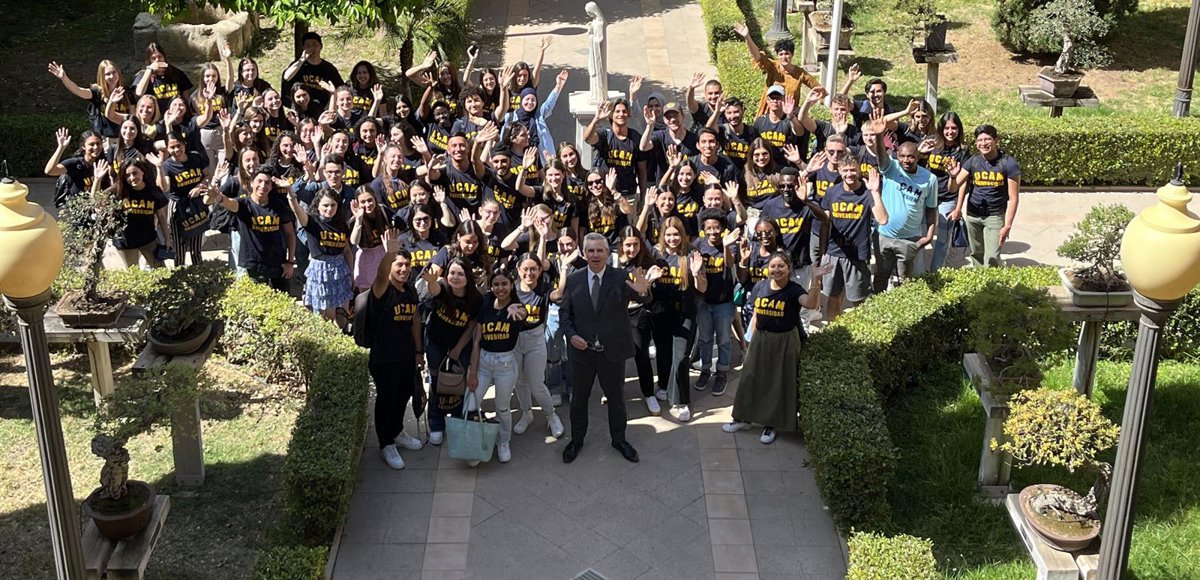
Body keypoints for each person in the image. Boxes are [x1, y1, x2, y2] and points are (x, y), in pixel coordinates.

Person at [559, 232, 652, 464]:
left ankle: (619, 439)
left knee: (616, 398)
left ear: (607, 253)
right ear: (584, 253)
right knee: (579, 399)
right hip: (583, 353)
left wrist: (643, 290)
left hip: (612, 352)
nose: (595, 255)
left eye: (599, 250)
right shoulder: (574, 280)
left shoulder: (620, 277)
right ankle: (576, 439)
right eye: (590, 250)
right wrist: (571, 336)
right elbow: (565, 315)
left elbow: (642, 297)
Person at [723, 251, 826, 444]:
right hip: (760, 338)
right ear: (767, 268)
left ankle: (771, 424)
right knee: (750, 377)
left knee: (777, 382)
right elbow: (756, 313)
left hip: (784, 341)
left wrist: (816, 280)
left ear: (789, 269)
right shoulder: (760, 286)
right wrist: (749, 338)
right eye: (773, 266)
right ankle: (743, 418)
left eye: (781, 266)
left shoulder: (794, 290)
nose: (776, 270)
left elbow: (811, 303)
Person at [367, 230, 426, 470]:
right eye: (398, 264)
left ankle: (398, 431)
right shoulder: (382, 290)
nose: (404, 269)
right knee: (387, 399)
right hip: (384, 358)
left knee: (403, 396)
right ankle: (386, 443)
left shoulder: (409, 290)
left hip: (405, 355)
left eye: (407, 265)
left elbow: (414, 320)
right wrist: (388, 254)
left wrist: (418, 351)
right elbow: (381, 275)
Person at [417, 257, 483, 446]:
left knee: (458, 382)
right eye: (452, 273)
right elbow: (435, 290)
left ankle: (456, 419)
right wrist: (431, 281)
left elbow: (471, 327)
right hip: (436, 342)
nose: (455, 277)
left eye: (460, 274)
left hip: (460, 344)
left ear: (468, 277)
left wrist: (458, 348)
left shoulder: (476, 299)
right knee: (436, 381)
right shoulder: (443, 287)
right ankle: (436, 423)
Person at [469, 269, 532, 464]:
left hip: (505, 364)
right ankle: (475, 443)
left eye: (504, 283)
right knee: (471, 404)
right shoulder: (486, 306)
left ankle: (503, 441)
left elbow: (523, 314)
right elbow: (476, 341)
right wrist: (473, 372)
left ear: (511, 285)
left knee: (502, 407)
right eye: (496, 284)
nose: (500, 288)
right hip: (484, 363)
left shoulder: (516, 307)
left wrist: (517, 311)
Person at [869, 115, 937, 291]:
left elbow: (931, 209)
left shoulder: (929, 179)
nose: (906, 160)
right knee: (881, 276)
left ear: (918, 157)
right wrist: (879, 135)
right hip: (884, 235)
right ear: (897, 155)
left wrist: (929, 235)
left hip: (909, 240)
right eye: (903, 156)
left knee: (905, 281)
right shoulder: (891, 168)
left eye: (911, 157)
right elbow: (881, 156)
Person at [819, 154, 889, 322]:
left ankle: (861, 331)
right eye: (845, 170)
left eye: (852, 170)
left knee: (859, 300)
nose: (849, 174)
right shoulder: (832, 192)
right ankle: (835, 331)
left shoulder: (867, 193)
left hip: (857, 255)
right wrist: (822, 252)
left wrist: (875, 192)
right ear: (839, 171)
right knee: (833, 297)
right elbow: (825, 223)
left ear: (858, 170)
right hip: (833, 253)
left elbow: (883, 219)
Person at [203, 167, 297, 290]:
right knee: (257, 300)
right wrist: (218, 197)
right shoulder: (243, 204)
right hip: (253, 265)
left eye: (267, 183)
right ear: (252, 183)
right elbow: (228, 202)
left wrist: (290, 262)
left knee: (283, 300)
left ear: (271, 186)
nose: (263, 186)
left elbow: (290, 233)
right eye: (259, 181)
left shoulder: (279, 205)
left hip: (279, 265)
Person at [650, 217, 706, 422]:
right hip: (661, 312)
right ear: (662, 235)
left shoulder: (691, 254)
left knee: (681, 356)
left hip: (684, 312)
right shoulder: (655, 253)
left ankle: (679, 401)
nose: (672, 238)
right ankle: (664, 385)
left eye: (676, 234)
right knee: (664, 352)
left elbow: (703, 288)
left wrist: (696, 273)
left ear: (683, 235)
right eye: (668, 234)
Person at [945, 124, 1022, 268]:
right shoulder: (973, 161)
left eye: (987, 139)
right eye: (980, 140)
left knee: (992, 257)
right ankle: (980, 279)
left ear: (996, 140)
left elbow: (1013, 198)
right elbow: (953, 188)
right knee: (976, 254)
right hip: (973, 215)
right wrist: (952, 176)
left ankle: (994, 280)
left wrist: (1007, 225)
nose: (983, 143)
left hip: (994, 216)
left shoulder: (1009, 164)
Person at [510, 250, 567, 439]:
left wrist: (564, 269)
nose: (529, 273)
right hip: (514, 340)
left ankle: (551, 416)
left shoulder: (544, 288)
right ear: (518, 270)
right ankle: (526, 413)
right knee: (519, 381)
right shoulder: (511, 290)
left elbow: (558, 295)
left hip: (535, 339)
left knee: (536, 383)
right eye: (525, 269)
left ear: (540, 270)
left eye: (533, 269)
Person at [286, 187, 354, 323]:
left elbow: (347, 251)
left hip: (340, 269)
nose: (329, 209)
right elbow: (297, 210)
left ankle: (342, 334)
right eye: (325, 205)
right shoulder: (312, 221)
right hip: (321, 270)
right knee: (326, 314)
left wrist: (351, 273)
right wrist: (290, 194)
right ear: (318, 205)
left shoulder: (341, 224)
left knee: (342, 313)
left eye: (333, 205)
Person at [692, 209, 742, 396]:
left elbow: (729, 264)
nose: (713, 232)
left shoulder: (729, 243)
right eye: (709, 228)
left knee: (723, 339)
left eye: (716, 228)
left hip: (724, 302)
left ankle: (722, 372)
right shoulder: (698, 245)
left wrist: (726, 247)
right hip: (703, 302)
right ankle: (705, 370)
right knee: (705, 339)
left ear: (722, 228)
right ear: (703, 229)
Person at [732, 22, 820, 118]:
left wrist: (803, 108)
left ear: (792, 54)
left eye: (787, 54)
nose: (784, 57)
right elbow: (757, 56)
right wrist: (747, 37)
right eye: (781, 54)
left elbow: (820, 91)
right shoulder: (773, 67)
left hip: (789, 116)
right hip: (769, 114)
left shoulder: (800, 73)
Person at [149, 131, 210, 266]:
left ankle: (199, 270)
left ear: (184, 144)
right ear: (167, 149)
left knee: (196, 244)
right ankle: (180, 271)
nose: (176, 150)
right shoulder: (167, 165)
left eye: (179, 146)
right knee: (179, 244)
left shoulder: (196, 158)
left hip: (196, 204)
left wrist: (199, 186)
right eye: (172, 147)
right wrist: (159, 167)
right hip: (177, 206)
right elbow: (165, 187)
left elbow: (207, 176)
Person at [924, 111, 968, 272]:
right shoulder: (932, 145)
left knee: (943, 240)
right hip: (928, 197)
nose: (950, 132)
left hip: (948, 199)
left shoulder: (963, 151)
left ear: (959, 129)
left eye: (954, 128)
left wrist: (958, 208)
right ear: (941, 129)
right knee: (920, 235)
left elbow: (963, 182)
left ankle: (935, 273)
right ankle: (917, 272)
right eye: (947, 128)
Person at [106, 156, 169, 269]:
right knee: (133, 273)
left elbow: (162, 216)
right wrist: (97, 179)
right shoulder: (118, 190)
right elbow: (95, 200)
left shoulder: (153, 191)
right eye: (127, 175)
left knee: (160, 270)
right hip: (125, 241)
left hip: (148, 239)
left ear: (142, 172)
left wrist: (167, 239)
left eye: (135, 173)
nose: (132, 178)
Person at [583, 99, 647, 201]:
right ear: (611, 115)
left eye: (624, 111)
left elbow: (642, 169)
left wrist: (643, 196)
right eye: (617, 111)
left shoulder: (636, 138)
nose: (621, 114)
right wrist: (596, 119)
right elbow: (587, 138)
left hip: (628, 194)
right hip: (605, 192)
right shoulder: (604, 135)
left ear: (628, 114)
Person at [48, 60, 131, 138]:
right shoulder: (97, 92)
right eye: (108, 74)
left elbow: (132, 116)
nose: (112, 76)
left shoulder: (126, 92)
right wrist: (64, 78)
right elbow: (78, 90)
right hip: (103, 138)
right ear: (102, 77)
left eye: (114, 72)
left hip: (124, 137)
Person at [281, 32, 344, 112]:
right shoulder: (298, 66)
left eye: (315, 45)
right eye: (308, 46)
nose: (312, 48)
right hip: (301, 109)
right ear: (303, 48)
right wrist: (302, 60)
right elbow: (286, 77)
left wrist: (328, 108)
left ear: (321, 46)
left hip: (322, 109)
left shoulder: (328, 68)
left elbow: (339, 89)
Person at [44, 127, 105, 207]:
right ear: (83, 146)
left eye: (98, 143)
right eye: (91, 144)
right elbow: (49, 171)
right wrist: (61, 148)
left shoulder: (103, 164)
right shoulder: (75, 163)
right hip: (77, 209)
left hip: (96, 206)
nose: (96, 147)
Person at [133, 43, 194, 114]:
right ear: (149, 60)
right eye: (153, 58)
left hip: (176, 113)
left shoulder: (177, 73)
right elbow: (139, 93)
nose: (157, 60)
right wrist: (149, 71)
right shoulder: (143, 75)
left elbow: (186, 98)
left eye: (160, 57)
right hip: (155, 115)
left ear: (164, 57)